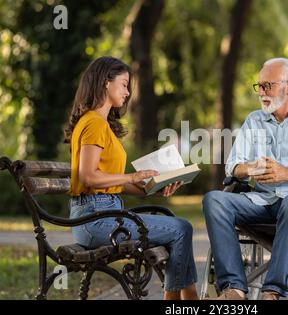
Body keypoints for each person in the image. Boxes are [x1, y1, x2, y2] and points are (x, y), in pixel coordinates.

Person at [202, 58, 288, 300]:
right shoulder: (254, 121)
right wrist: (250, 169)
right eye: (259, 86)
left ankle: (272, 291)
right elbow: (232, 166)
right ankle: (234, 288)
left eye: (268, 85)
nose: (262, 92)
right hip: (262, 200)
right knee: (214, 200)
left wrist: (287, 173)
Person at [64, 56, 198, 300]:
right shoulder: (93, 122)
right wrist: (132, 175)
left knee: (180, 228)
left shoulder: (102, 124)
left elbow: (113, 183)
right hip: (94, 220)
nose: (127, 92)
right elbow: (89, 176)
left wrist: (153, 189)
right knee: (180, 229)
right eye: (124, 84)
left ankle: (187, 300)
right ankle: (180, 301)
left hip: (107, 215)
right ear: (106, 82)